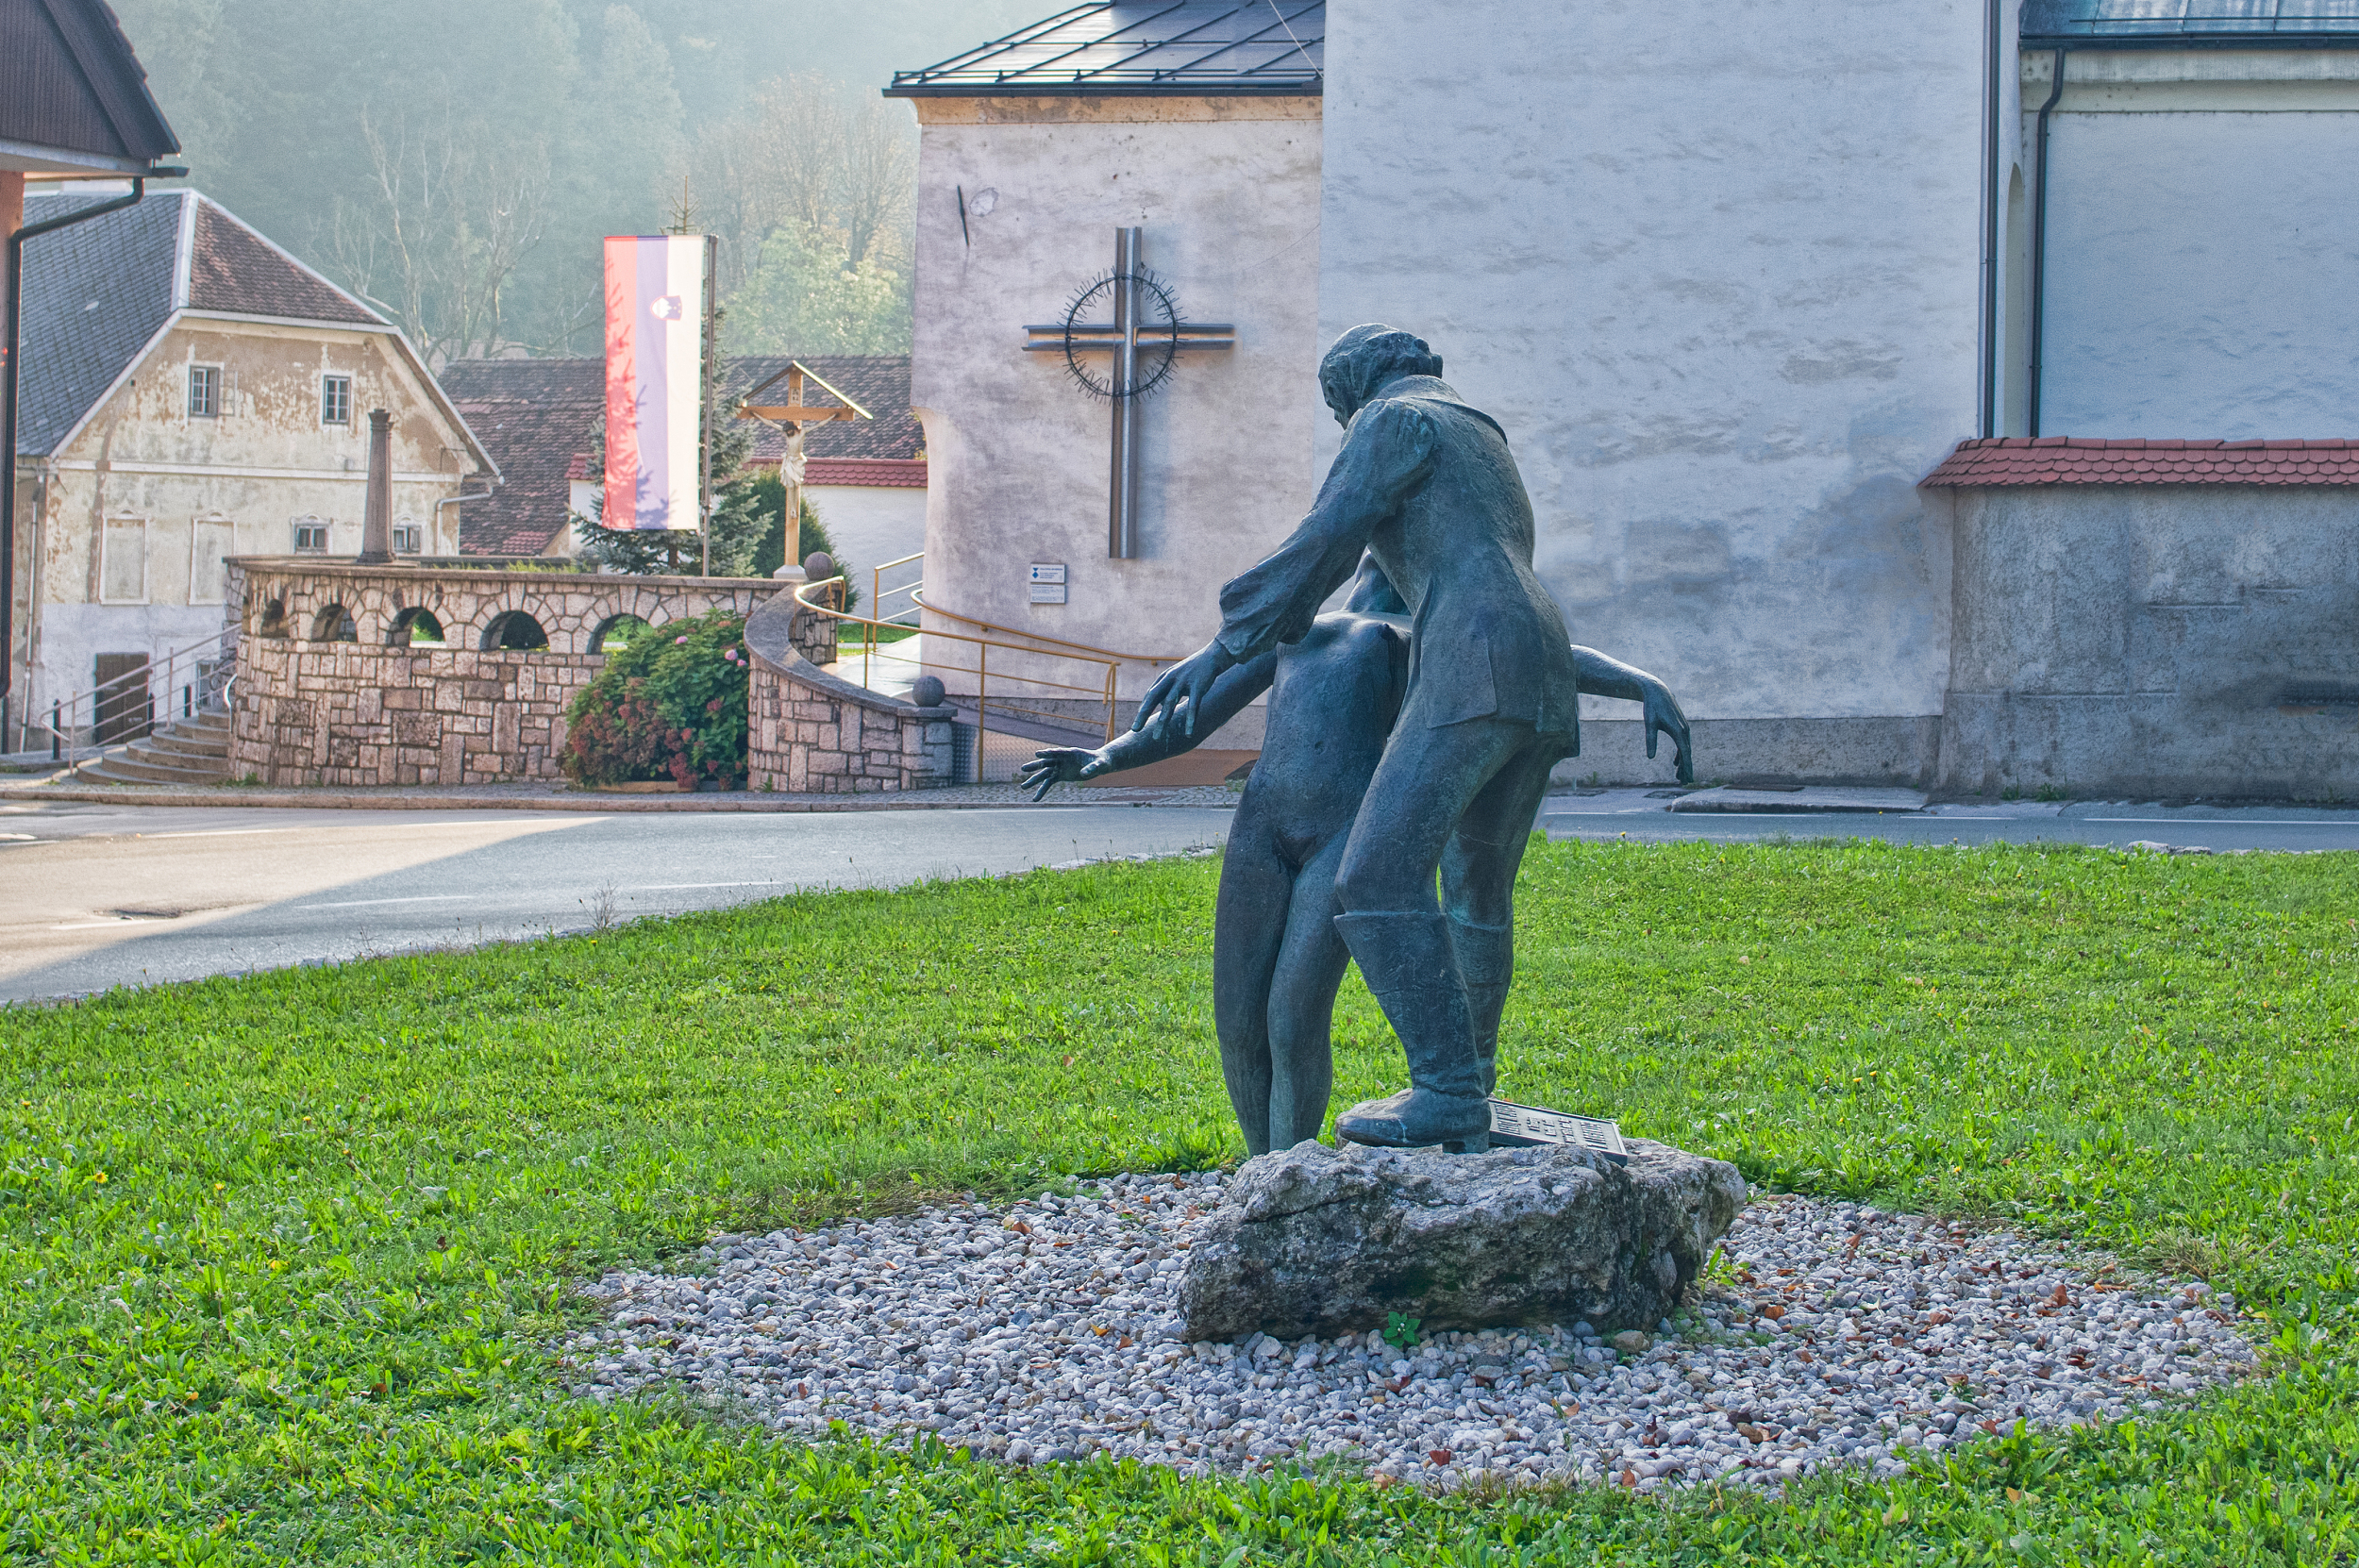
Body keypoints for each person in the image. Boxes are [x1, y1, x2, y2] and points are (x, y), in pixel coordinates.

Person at [1023, 555, 1691, 1156]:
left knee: (1290, 1019)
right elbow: (1196, 715)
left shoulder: (1431, 634)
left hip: (1344, 829)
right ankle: (1265, 1173)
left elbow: (1549, 656)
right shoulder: (1301, 625)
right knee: (1237, 1019)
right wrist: (1104, 757)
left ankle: (1291, 1168)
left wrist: (1642, 684)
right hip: (1261, 826)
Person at [1125, 324, 1606, 1154]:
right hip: (1541, 659)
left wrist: (1224, 645)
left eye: (1334, 409)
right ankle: (1473, 1086)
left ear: (1352, 390)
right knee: (1477, 890)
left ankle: (1450, 1092)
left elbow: (1324, 541)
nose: (1340, 425)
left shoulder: (1394, 421)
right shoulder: (1478, 431)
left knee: (1375, 879)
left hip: (1468, 655)